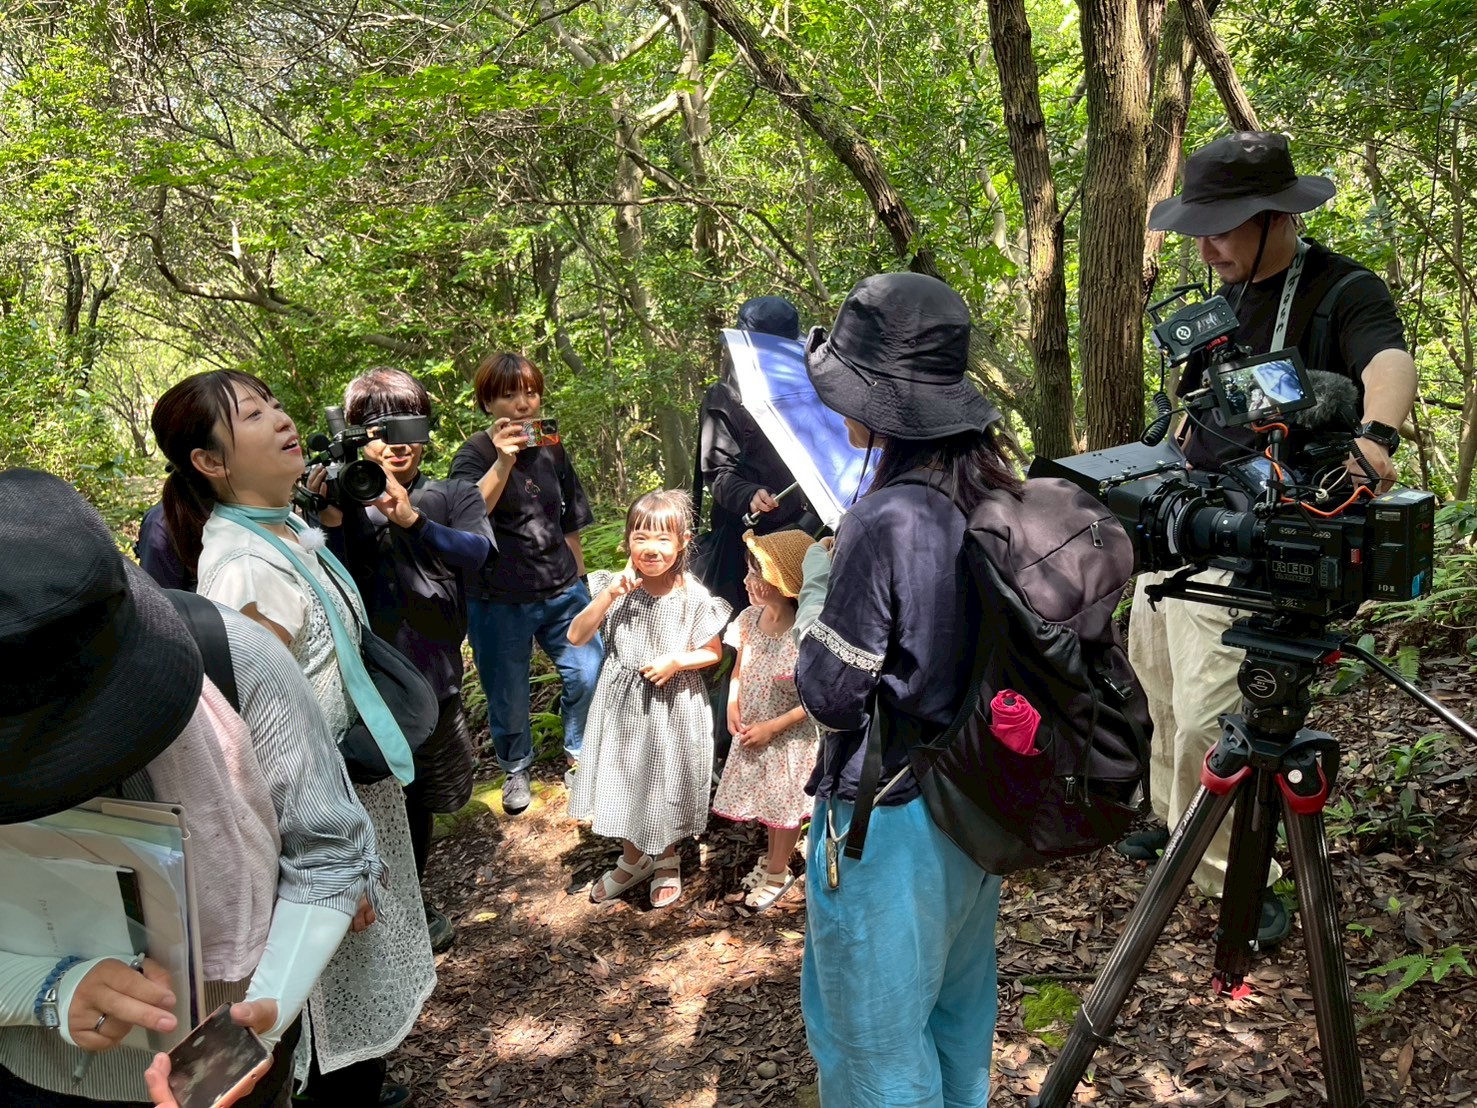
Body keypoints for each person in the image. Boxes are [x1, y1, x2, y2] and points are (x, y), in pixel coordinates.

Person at [0, 469, 382, 1108]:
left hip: (236, 1056)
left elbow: (327, 847)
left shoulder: (233, 655)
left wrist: (263, 1016)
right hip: (37, 1074)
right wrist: (45, 989)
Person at [1120, 131, 1417, 947]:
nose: (1206, 248)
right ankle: (1172, 820)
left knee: (1208, 716)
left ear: (1275, 217)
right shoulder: (1215, 302)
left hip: (1260, 540)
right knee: (1158, 687)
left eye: (1221, 229)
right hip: (1188, 518)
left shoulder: (1339, 289)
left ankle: (1229, 878)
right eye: (1198, 230)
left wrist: (1374, 440)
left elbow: (1387, 362)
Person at [151, 371, 436, 1108]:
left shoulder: (278, 531)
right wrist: (322, 868)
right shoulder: (245, 570)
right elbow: (250, 740)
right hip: (316, 826)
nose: (280, 420)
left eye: (274, 404)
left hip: (343, 802)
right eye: (252, 415)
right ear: (209, 461)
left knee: (352, 1000)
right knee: (324, 1024)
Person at [792, 272, 1016, 1108]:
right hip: (973, 800)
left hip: (884, 816)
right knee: (958, 1016)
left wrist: (817, 586)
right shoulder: (994, 493)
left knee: (874, 1049)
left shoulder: (882, 519)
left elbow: (829, 696)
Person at [323, 368, 495, 952]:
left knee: (424, 796)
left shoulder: (451, 495)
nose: (398, 445)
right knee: (368, 797)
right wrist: (334, 514)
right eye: (380, 430)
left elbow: (478, 553)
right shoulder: (342, 503)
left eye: (410, 428)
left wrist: (412, 521)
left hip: (433, 676)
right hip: (359, 686)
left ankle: (414, 896)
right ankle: (372, 907)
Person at [448, 352, 603, 816]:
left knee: (588, 672)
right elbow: (466, 515)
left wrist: (580, 582)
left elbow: (569, 517)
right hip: (497, 597)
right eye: (509, 395)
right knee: (508, 692)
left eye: (531, 393)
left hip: (561, 587)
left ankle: (580, 753)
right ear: (487, 402)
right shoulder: (473, 455)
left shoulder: (551, 445)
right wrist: (502, 461)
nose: (523, 404)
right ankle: (516, 766)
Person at [566, 490, 729, 908]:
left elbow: (712, 652)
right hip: (621, 705)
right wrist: (609, 595)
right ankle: (633, 858)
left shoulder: (692, 595)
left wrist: (676, 661)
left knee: (664, 779)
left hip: (672, 707)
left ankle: (666, 858)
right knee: (622, 776)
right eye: (641, 537)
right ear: (628, 541)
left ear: (683, 542)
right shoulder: (613, 588)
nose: (651, 548)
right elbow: (576, 636)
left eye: (662, 538)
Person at [711, 529, 818, 911]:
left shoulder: (805, 632)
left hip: (789, 739)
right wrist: (732, 703)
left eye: (756, 573)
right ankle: (774, 859)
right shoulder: (748, 619)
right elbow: (739, 668)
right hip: (755, 730)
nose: (746, 580)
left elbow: (816, 699)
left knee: (783, 808)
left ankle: (777, 871)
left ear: (784, 579)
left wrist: (774, 726)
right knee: (769, 805)